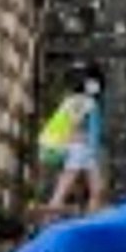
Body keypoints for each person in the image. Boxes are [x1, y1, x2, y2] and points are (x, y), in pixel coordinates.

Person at [39, 66, 108, 217]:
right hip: (77, 146)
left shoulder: (83, 101)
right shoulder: (81, 101)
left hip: (85, 148)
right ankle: (51, 216)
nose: (95, 86)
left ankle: (91, 220)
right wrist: (79, 138)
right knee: (65, 186)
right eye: (92, 82)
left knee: (97, 188)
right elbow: (73, 124)